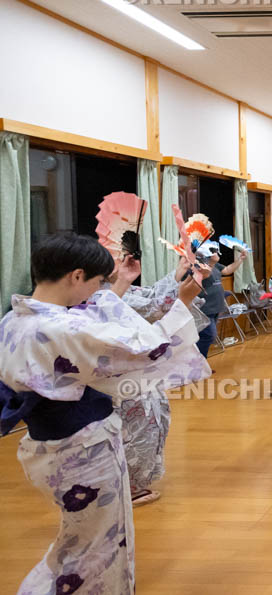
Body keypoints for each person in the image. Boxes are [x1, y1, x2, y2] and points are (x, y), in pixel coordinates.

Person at [0, 233, 210, 595]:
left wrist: (122, 281)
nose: (98, 292)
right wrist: (182, 304)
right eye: (97, 282)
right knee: (93, 547)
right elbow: (147, 350)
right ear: (76, 276)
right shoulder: (59, 327)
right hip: (83, 450)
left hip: (52, 445)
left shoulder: (16, 319)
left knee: (87, 537)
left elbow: (88, 327)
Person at [117, 256, 210, 506]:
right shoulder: (97, 300)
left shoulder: (109, 294)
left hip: (138, 375)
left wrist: (177, 275)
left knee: (151, 424)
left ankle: (132, 483)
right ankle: (131, 486)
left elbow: (148, 296)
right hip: (126, 378)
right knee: (135, 431)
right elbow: (155, 306)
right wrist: (182, 299)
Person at [194, 240, 247, 357]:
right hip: (205, 310)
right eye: (213, 251)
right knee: (209, 335)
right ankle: (197, 364)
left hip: (216, 309)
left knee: (207, 337)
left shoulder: (215, 266)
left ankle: (201, 364)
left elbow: (227, 270)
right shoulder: (199, 267)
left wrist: (240, 259)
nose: (217, 252)